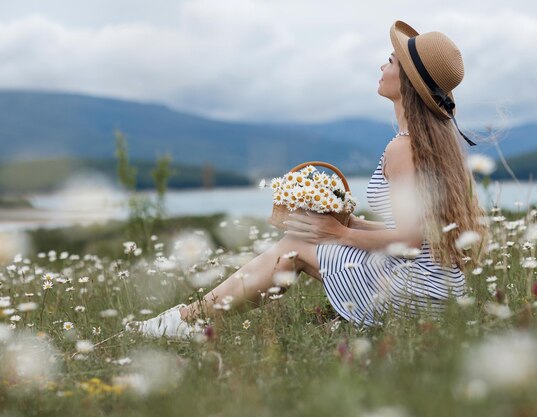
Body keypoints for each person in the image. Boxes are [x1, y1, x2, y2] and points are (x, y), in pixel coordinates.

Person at [125, 20, 487, 339]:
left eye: (390, 62)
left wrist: (341, 234)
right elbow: (419, 231)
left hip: (416, 294)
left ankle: (187, 321)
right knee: (298, 238)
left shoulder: (403, 149)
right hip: (438, 290)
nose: (382, 65)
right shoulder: (429, 146)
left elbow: (409, 241)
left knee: (292, 248)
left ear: (406, 81)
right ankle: (191, 320)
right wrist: (344, 222)